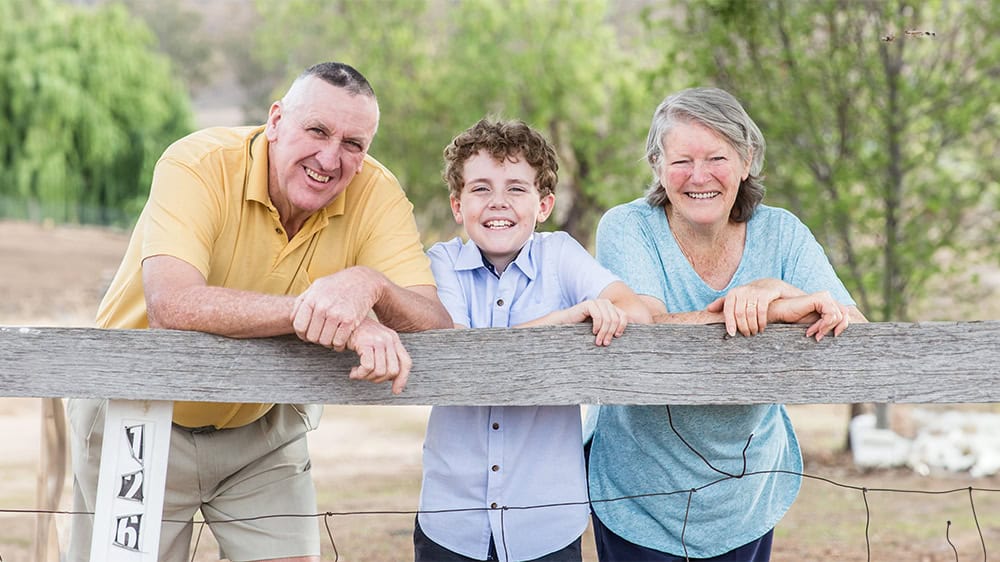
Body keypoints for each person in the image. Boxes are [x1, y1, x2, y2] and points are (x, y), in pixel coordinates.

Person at [67, 62, 452, 562]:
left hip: (261, 428)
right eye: (317, 130)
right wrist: (316, 312)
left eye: (354, 144)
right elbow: (172, 303)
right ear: (275, 121)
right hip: (138, 417)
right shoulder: (197, 163)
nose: (330, 157)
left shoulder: (376, 191)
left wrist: (370, 285)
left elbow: (435, 322)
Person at [584, 87, 868, 561]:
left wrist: (775, 289)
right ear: (656, 164)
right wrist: (775, 315)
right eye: (680, 161)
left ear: (747, 159)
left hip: (748, 488)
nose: (699, 177)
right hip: (636, 487)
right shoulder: (627, 226)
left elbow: (854, 329)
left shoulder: (782, 232)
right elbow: (643, 328)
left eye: (717, 157)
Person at [414, 118, 652, 562]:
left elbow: (634, 312)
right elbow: (461, 356)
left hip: (546, 522)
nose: (498, 203)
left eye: (516, 189)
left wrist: (602, 311)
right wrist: (566, 320)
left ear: (543, 205)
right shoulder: (441, 262)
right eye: (481, 189)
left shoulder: (561, 254)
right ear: (457, 205)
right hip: (452, 519)